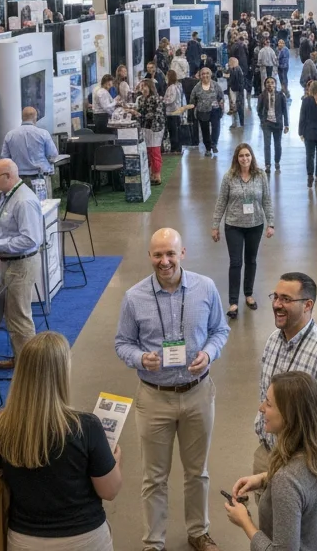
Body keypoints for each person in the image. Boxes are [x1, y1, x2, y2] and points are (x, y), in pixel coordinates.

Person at [114, 228, 230, 551]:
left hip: (198, 393)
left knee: (197, 472)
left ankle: (198, 531)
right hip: (154, 397)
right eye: (157, 254)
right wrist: (140, 357)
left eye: (170, 254)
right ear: (149, 256)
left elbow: (220, 330)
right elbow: (122, 343)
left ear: (183, 254)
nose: (164, 261)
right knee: (154, 478)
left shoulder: (205, 289)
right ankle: (153, 542)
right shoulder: (134, 297)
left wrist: (209, 353)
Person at [0, 332, 123, 551]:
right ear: (61, 373)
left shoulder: (0, 426)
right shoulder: (86, 427)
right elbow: (109, 491)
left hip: (23, 539)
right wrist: (114, 461)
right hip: (85, 538)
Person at [248, 272, 317, 509]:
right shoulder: (274, 341)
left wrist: (312, 478)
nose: (276, 305)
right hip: (268, 456)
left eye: (286, 299)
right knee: (269, 532)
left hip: (303, 469)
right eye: (275, 297)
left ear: (308, 305)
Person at [226, 372, 317, 551]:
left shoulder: (287, 479)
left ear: (289, 415)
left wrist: (245, 522)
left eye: (269, 404)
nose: (261, 408)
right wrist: (265, 478)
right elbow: (305, 486)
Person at [0, 158, 44, 370]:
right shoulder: (9, 195)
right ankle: (20, 358)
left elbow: (30, 239)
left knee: (20, 317)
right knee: (12, 314)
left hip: (21, 265)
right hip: (10, 263)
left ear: (8, 176)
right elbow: (13, 229)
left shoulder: (24, 201)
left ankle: (29, 366)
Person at [212, 144, 276, 319]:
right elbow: (221, 202)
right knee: (236, 262)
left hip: (255, 225)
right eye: (241, 156)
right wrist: (215, 226)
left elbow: (267, 200)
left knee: (251, 260)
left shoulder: (260, 175)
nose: (245, 159)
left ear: (252, 157)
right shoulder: (229, 177)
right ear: (236, 158)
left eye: (247, 155)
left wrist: (271, 223)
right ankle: (233, 302)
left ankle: (248, 294)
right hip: (234, 226)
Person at [1, 106, 59, 183]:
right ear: (35, 117)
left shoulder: (10, 135)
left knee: (20, 195)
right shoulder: (43, 133)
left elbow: (4, 158)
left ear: (22, 118)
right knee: (39, 195)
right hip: (40, 176)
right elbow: (53, 155)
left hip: (18, 177)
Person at [136, 79, 166, 185]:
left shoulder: (156, 99)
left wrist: (139, 114)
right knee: (148, 152)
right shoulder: (140, 99)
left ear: (150, 87)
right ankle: (149, 174)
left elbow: (156, 115)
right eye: (141, 86)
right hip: (145, 128)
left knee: (155, 152)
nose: (143, 88)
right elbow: (140, 112)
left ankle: (157, 176)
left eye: (145, 86)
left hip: (156, 129)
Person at [256, 76, 289, 172]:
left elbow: (285, 111)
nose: (270, 84)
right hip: (267, 123)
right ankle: (267, 165)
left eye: (272, 82)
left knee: (277, 145)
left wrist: (286, 124)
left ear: (275, 85)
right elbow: (258, 109)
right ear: (265, 85)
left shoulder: (281, 96)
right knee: (267, 145)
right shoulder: (262, 96)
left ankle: (277, 162)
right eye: (268, 82)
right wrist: (262, 121)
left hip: (278, 124)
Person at [189, 67, 223, 157]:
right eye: (203, 74)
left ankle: (214, 144)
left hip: (215, 110)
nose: (205, 75)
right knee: (205, 131)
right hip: (202, 111)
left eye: (207, 73)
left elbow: (221, 96)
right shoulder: (196, 87)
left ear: (210, 74)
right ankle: (208, 148)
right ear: (200, 76)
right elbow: (192, 100)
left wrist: (221, 107)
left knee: (216, 127)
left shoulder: (215, 85)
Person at [164, 70, 188, 154]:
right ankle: (176, 148)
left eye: (167, 75)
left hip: (172, 112)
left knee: (173, 132)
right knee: (175, 132)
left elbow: (171, 99)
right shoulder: (176, 86)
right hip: (175, 112)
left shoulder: (172, 87)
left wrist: (163, 101)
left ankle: (175, 148)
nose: (165, 77)